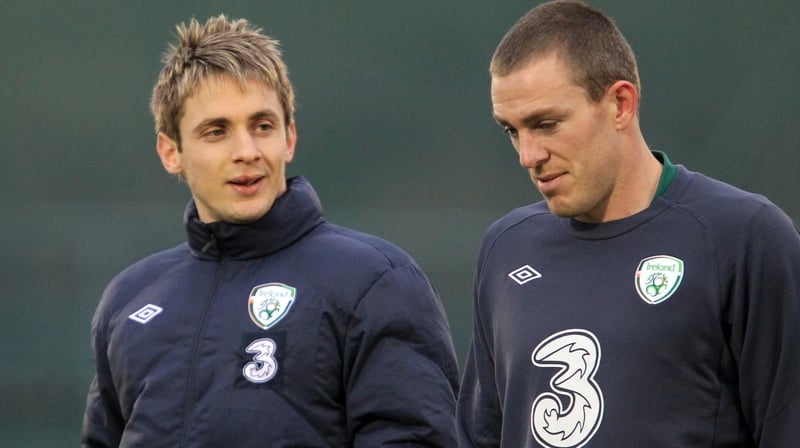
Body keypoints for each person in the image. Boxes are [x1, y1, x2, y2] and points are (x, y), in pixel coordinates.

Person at [81, 14, 460, 447]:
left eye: (262, 126)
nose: (247, 151)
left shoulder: (373, 281)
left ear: (289, 138)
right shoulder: (129, 300)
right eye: (217, 132)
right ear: (171, 152)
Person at [456, 1, 800, 447]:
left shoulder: (743, 237)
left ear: (620, 103)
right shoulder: (507, 247)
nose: (528, 155)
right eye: (512, 131)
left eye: (546, 124)